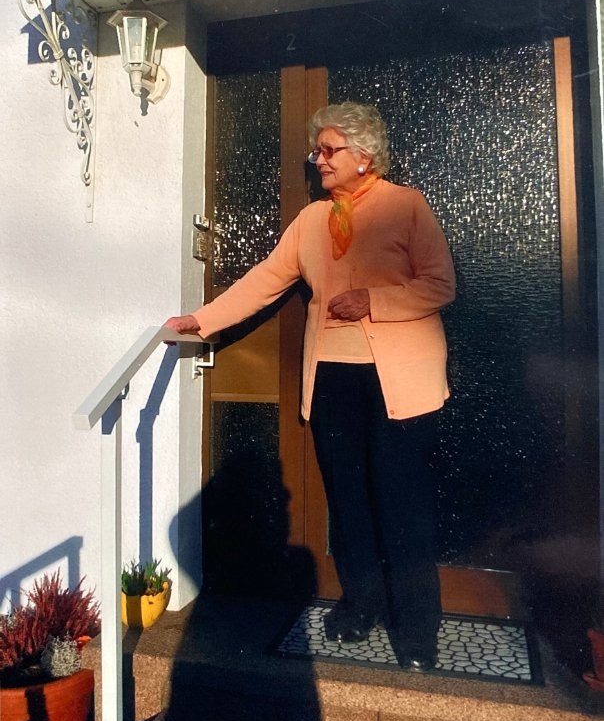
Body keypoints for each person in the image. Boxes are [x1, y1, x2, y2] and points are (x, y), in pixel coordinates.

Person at [165, 101, 455, 670]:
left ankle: (418, 629)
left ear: (364, 156)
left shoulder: (406, 206)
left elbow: (440, 284)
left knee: (401, 504)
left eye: (328, 150)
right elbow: (266, 279)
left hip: (400, 382)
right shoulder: (311, 220)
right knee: (347, 503)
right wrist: (202, 320)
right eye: (316, 151)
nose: (318, 160)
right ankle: (362, 605)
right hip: (332, 380)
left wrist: (372, 300)